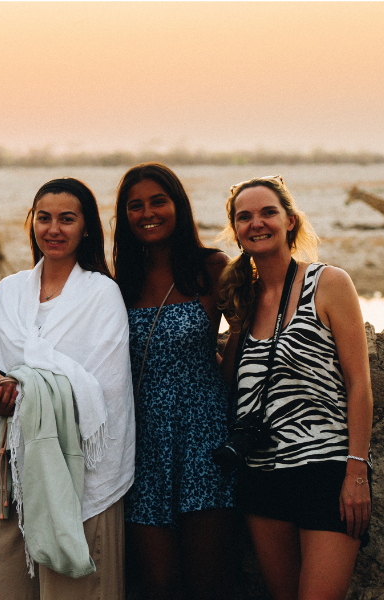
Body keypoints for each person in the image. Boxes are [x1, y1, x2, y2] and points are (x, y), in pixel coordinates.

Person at [0, 178, 135, 600]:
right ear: (32, 223)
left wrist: (25, 385)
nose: (54, 229)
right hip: (17, 468)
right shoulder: (10, 291)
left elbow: (106, 391)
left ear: (86, 228)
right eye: (43, 218)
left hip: (81, 470)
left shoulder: (102, 294)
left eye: (67, 219)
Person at [217, 176, 373, 600]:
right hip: (261, 476)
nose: (257, 223)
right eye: (244, 217)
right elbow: (234, 386)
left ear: (290, 221)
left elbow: (359, 384)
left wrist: (356, 472)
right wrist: (234, 325)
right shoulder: (245, 298)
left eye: (268, 212)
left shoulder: (328, 283)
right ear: (236, 230)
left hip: (324, 470)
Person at [111, 163, 235, 600]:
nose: (148, 212)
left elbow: (241, 344)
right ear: (124, 216)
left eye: (158, 201)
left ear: (178, 205)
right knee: (158, 583)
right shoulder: (118, 283)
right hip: (142, 443)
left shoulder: (211, 268)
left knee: (208, 581)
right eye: (135, 205)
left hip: (203, 438)